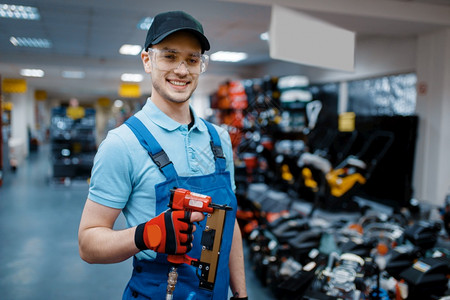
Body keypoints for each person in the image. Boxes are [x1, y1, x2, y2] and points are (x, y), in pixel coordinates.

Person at [78, 10, 248, 300]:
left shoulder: (218, 138)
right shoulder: (122, 143)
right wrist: (146, 235)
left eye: (192, 60)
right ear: (148, 60)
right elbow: (88, 243)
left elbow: (228, 224)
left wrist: (241, 294)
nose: (182, 70)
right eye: (169, 56)